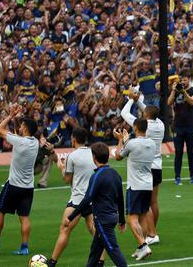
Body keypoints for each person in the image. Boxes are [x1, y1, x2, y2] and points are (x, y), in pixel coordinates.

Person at [0, 104, 39, 255]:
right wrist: (18, 120)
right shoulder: (35, 142)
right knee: (24, 217)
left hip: (13, 185)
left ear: (25, 129)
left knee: (0, 211)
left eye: (22, 125)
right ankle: (24, 247)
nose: (20, 127)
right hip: (28, 188)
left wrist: (11, 116)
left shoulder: (19, 142)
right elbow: (18, 136)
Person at [65, 142, 128, 267]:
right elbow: (120, 199)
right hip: (112, 217)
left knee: (113, 249)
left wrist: (71, 217)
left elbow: (88, 198)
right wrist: (121, 220)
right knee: (95, 252)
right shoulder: (115, 174)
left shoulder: (96, 176)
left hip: (102, 220)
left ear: (94, 157)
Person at [46, 128, 97, 266]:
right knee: (98, 233)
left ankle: (52, 262)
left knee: (65, 229)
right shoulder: (94, 153)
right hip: (92, 199)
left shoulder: (72, 156)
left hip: (77, 200)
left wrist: (61, 167)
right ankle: (100, 262)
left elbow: (67, 179)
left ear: (73, 139)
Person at [121, 90, 165, 246]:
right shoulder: (160, 124)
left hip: (145, 165)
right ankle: (153, 233)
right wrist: (138, 99)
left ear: (145, 116)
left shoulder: (143, 125)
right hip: (158, 165)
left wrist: (131, 99)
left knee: (145, 206)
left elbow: (124, 112)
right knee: (153, 202)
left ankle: (151, 234)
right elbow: (148, 110)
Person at [114, 119, 155, 260]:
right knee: (143, 217)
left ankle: (143, 245)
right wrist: (126, 140)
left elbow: (118, 156)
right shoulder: (152, 143)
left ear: (136, 127)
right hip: (148, 185)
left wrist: (121, 140)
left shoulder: (131, 143)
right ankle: (140, 247)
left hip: (135, 186)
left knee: (132, 219)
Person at [169, 71, 193, 185]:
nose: (183, 82)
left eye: (185, 80)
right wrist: (173, 90)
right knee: (178, 153)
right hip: (178, 126)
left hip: (191, 126)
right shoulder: (176, 90)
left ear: (189, 80)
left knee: (191, 153)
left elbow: (192, 102)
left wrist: (184, 92)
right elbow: (169, 102)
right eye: (182, 80)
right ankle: (177, 177)